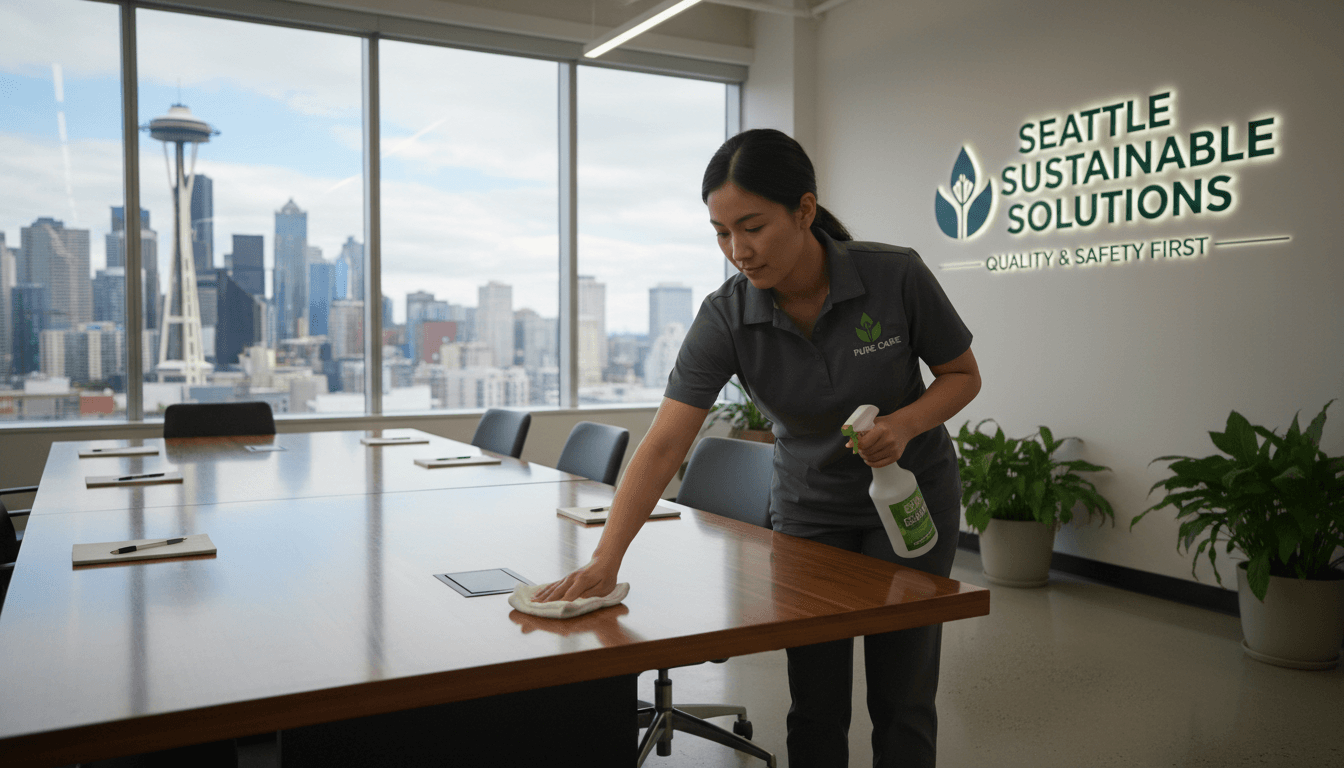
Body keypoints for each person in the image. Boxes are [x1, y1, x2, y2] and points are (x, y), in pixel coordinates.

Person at [534, 128, 981, 768]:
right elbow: (663, 445)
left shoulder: (893, 275)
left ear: (804, 210)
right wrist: (606, 559)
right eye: (720, 233)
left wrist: (905, 425)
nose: (737, 250)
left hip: (910, 503)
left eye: (752, 226)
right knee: (816, 702)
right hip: (809, 510)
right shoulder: (727, 317)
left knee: (903, 696)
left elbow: (963, 375)